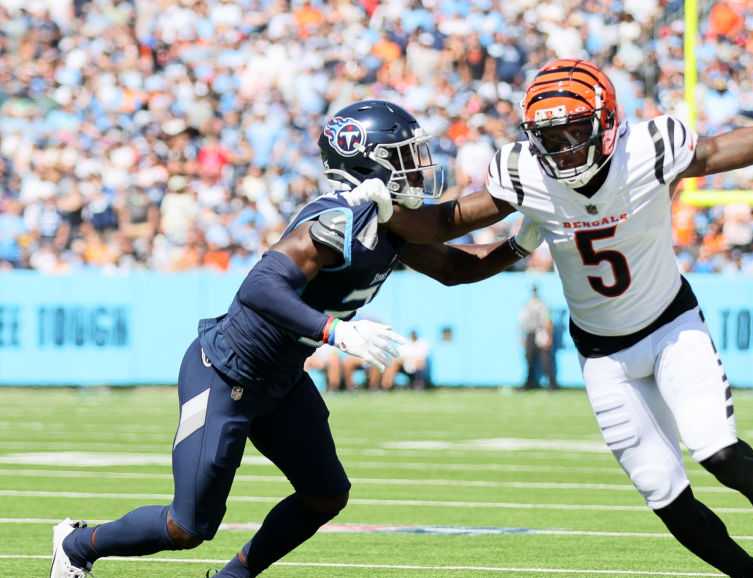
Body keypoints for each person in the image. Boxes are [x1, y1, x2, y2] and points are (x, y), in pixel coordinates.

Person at [356, 60, 753, 578]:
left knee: (716, 449)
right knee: (664, 494)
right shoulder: (522, 171)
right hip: (602, 353)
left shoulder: (649, 148)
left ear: (607, 122)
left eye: (574, 132)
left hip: (673, 325)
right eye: (549, 138)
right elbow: (447, 225)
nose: (562, 149)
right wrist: (377, 208)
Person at [50, 100, 541, 578]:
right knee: (188, 525)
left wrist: (521, 235)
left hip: (281, 380)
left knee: (326, 493)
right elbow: (260, 288)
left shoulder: (391, 219)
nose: (420, 167)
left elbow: (455, 259)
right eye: (406, 156)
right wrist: (336, 331)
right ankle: (76, 546)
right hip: (226, 372)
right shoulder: (339, 220)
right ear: (369, 161)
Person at [518, 285, 558, 390]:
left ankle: (552, 383)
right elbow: (522, 323)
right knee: (529, 359)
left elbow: (548, 321)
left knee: (545, 359)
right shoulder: (527, 304)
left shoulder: (542, 304)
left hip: (540, 331)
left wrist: (548, 335)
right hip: (530, 333)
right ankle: (530, 382)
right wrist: (522, 337)